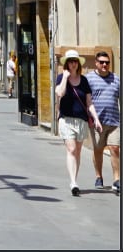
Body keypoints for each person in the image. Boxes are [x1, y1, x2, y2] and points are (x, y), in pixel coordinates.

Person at [56, 49, 103, 196]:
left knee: (77, 151)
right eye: (70, 61)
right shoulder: (60, 78)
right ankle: (73, 183)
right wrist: (65, 78)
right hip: (66, 119)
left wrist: (96, 118)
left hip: (81, 120)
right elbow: (59, 93)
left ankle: (74, 179)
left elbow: (89, 102)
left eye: (75, 61)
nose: (73, 64)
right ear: (66, 64)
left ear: (78, 63)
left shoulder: (84, 81)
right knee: (71, 149)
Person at [87, 50, 120, 195]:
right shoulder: (89, 79)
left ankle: (117, 180)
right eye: (101, 62)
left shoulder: (117, 79)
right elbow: (86, 100)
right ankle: (98, 176)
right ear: (96, 63)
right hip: (97, 123)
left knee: (114, 148)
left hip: (114, 121)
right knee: (98, 150)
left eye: (107, 62)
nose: (105, 64)